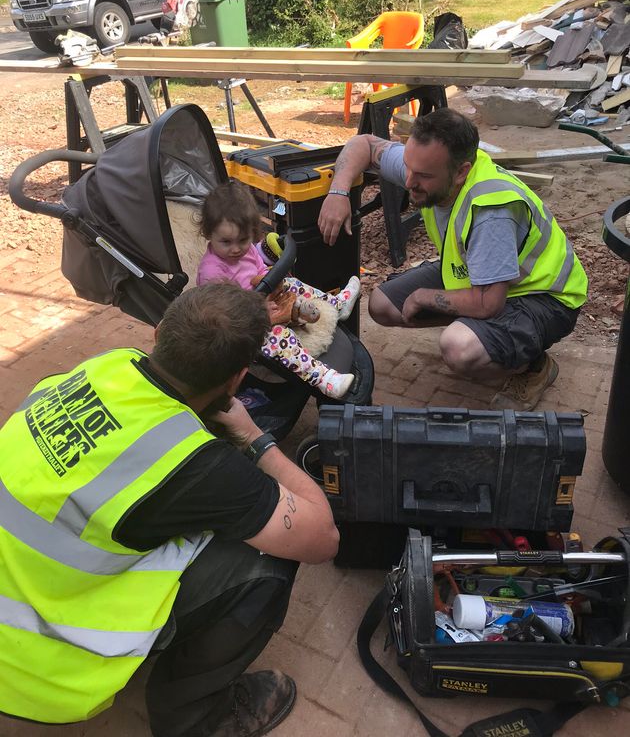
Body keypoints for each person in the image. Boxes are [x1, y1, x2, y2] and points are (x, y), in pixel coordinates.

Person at [0, 283, 339, 737]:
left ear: (159, 334)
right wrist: (255, 437)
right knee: (266, 562)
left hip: (22, 588)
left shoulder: (106, 365)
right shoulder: (196, 463)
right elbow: (322, 538)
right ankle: (195, 720)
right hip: (40, 668)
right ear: (238, 379)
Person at [318, 108, 588, 410]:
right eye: (408, 167)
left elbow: (489, 303)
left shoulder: (491, 213)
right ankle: (488, 335)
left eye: (422, 176)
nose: (409, 181)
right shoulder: (427, 165)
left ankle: (533, 365)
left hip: (544, 297)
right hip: (485, 277)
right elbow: (364, 145)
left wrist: (424, 297)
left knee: (459, 347)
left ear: (461, 171)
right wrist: (338, 191)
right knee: (382, 306)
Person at [197, 181, 361, 399]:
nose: (236, 249)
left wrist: (272, 269)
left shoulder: (245, 251)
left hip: (267, 303)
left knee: (290, 283)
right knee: (279, 336)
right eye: (226, 242)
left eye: (243, 240)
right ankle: (323, 378)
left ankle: (336, 305)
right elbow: (223, 315)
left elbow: (260, 269)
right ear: (209, 234)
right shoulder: (212, 272)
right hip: (242, 328)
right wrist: (258, 309)